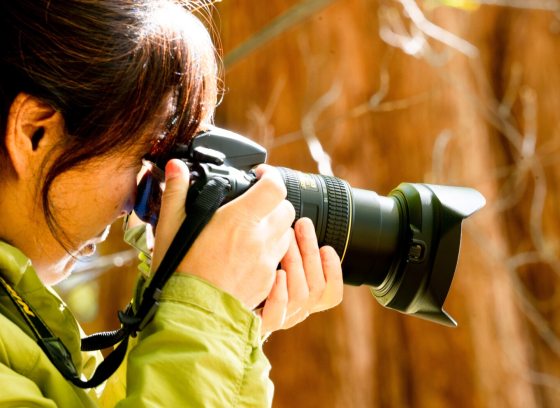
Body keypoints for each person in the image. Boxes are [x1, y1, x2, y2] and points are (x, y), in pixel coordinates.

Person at [0, 0, 344, 406]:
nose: (139, 202)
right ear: (34, 133)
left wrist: (219, 315)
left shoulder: (19, 313)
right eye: (143, 157)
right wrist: (205, 312)